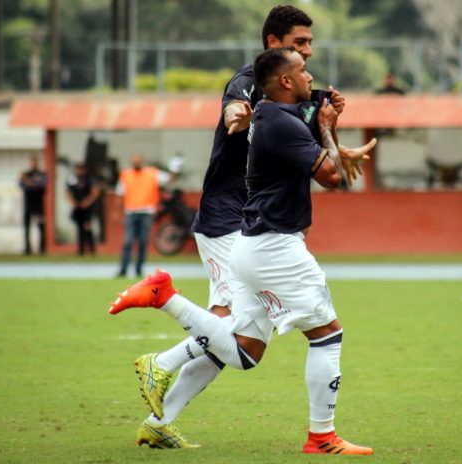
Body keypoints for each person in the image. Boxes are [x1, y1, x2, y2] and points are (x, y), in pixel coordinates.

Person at [110, 47, 375, 456]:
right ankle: (322, 437)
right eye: (303, 65)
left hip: (254, 244)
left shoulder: (271, 114)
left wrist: (327, 124)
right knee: (327, 334)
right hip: (275, 245)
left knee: (243, 354)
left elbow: (311, 133)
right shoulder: (279, 120)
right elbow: (331, 177)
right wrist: (325, 128)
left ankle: (166, 318)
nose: (309, 70)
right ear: (285, 79)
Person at [116, 153, 160, 277]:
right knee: (128, 241)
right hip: (130, 212)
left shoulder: (152, 173)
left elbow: (169, 179)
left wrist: (175, 167)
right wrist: (117, 212)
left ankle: (139, 269)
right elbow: (120, 194)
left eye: (138, 161)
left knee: (143, 242)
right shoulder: (126, 175)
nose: (136, 164)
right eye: (134, 162)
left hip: (146, 212)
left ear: (143, 162)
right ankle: (123, 269)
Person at [65, 163, 100, 255]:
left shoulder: (89, 179)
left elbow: (95, 192)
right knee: (79, 228)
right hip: (78, 207)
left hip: (87, 208)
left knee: (87, 228)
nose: (79, 171)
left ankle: (92, 250)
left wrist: (87, 202)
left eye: (81, 169)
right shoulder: (73, 179)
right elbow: (67, 191)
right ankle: (80, 250)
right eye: (78, 169)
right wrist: (73, 202)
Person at [18, 155, 47, 255]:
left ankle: (42, 248)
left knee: (41, 226)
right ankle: (27, 248)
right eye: (32, 162)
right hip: (28, 203)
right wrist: (30, 183)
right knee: (27, 226)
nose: (33, 164)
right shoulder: (26, 174)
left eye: (35, 162)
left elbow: (42, 185)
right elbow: (22, 185)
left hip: (39, 204)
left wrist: (29, 182)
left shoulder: (42, 174)